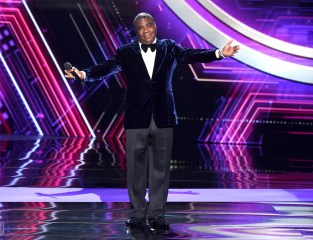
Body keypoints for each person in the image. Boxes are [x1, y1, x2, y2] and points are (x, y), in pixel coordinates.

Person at [65, 12, 240, 230]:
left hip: (163, 117)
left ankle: (157, 214)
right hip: (136, 116)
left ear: (155, 26)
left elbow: (193, 55)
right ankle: (138, 213)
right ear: (136, 31)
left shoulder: (170, 47)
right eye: (140, 27)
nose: (145, 30)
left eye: (148, 25)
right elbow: (107, 67)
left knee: (160, 169)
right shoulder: (125, 52)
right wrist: (84, 74)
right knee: (136, 170)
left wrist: (219, 53)